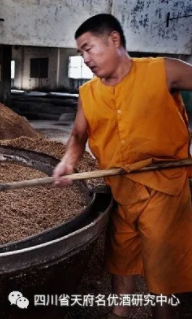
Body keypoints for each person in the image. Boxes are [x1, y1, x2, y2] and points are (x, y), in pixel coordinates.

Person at [52, 13, 192, 319]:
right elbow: (78, 134)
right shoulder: (89, 93)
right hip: (121, 189)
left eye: (88, 48)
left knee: (162, 269)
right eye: (80, 53)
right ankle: (120, 312)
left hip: (164, 189)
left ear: (114, 40)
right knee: (121, 258)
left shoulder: (162, 71)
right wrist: (68, 162)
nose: (85, 58)